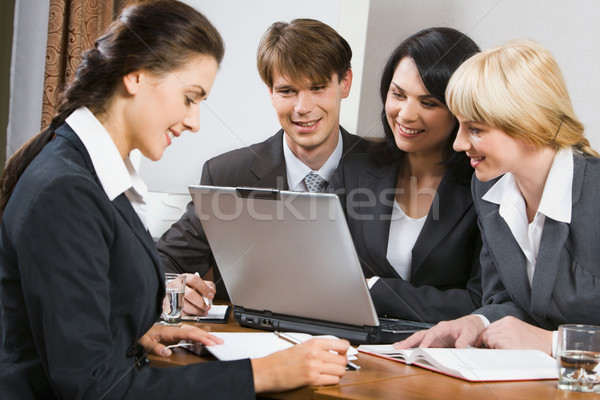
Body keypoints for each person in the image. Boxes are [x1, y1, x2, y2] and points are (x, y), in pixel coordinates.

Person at [0, 2, 350, 398]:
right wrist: (262, 374)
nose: (194, 121)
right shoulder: (66, 191)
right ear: (135, 76)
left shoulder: (87, 174)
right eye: (190, 98)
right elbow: (93, 388)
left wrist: (133, 328)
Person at [396, 39, 600, 356]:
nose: (458, 144)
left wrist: (553, 343)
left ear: (527, 124)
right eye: (460, 126)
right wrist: (476, 322)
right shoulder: (489, 189)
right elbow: (506, 300)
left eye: (475, 129)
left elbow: (542, 333)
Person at [157, 18, 369, 313]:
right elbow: (162, 261)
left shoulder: (385, 167)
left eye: (318, 87)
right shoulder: (225, 174)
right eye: (287, 91)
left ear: (344, 83)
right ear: (270, 92)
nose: (302, 107)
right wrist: (171, 286)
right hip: (250, 343)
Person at [329, 28, 482, 323]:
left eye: (428, 103)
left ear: (460, 109)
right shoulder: (354, 169)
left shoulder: (484, 186)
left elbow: (481, 301)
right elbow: (325, 270)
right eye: (398, 95)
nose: (406, 115)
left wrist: (379, 291)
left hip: (446, 356)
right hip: (359, 345)